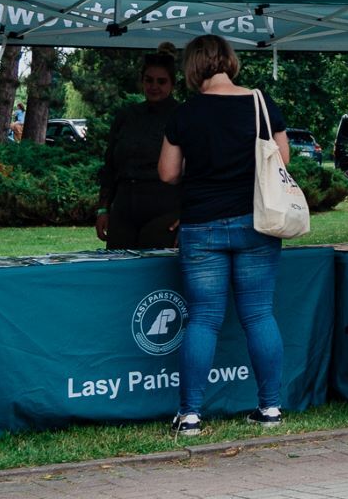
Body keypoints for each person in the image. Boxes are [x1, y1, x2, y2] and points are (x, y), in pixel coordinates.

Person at [158, 36, 290, 436]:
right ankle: (269, 408)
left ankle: (191, 415)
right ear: (229, 61)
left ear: (193, 67)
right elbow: (282, 159)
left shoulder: (185, 113)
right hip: (256, 221)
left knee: (203, 319)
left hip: (201, 225)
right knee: (258, 314)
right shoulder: (260, 103)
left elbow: (167, 173)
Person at [95, 44, 182, 249]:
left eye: (161, 81)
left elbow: (196, 169)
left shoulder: (182, 116)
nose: (154, 86)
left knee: (154, 276)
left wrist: (188, 213)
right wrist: (102, 209)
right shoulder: (126, 115)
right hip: (124, 206)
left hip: (164, 208)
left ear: (172, 84)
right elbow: (110, 167)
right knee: (118, 272)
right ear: (142, 81)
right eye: (149, 80)